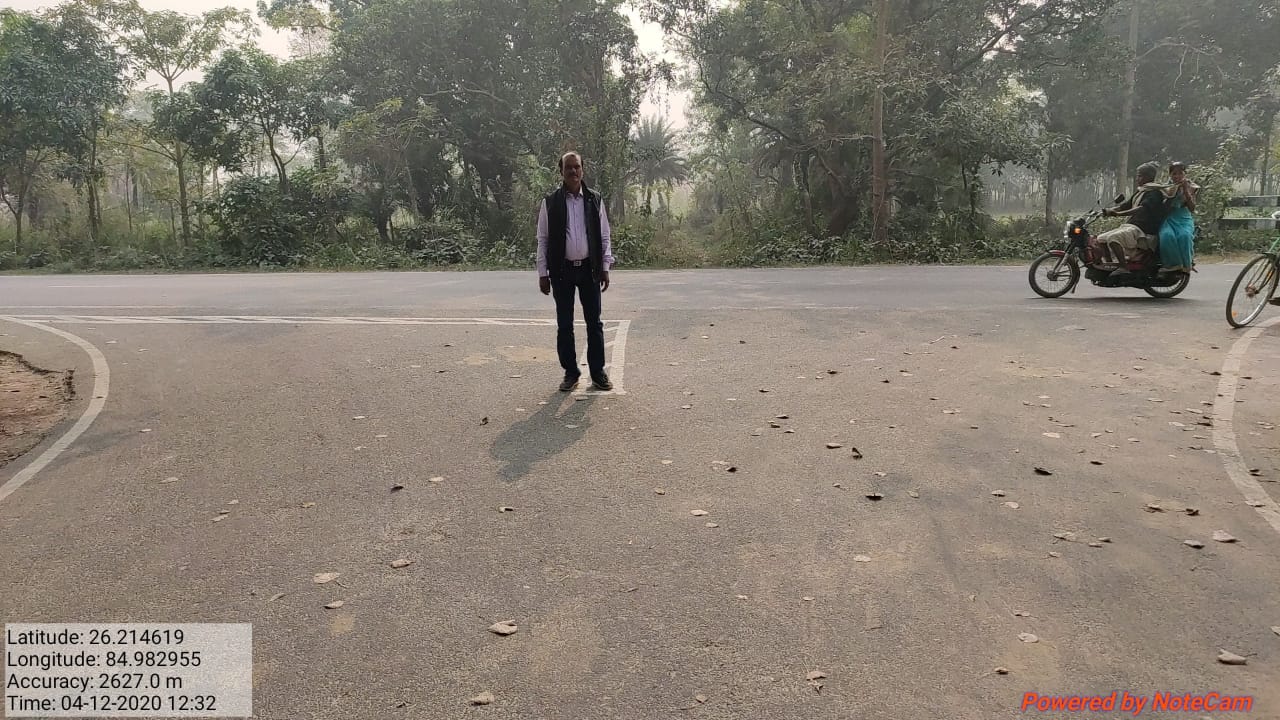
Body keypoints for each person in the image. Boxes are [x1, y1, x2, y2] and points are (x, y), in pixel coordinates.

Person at [537, 151, 615, 392]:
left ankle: (598, 372)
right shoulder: (550, 203)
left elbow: (604, 236)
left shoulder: (594, 200)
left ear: (583, 169)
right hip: (562, 271)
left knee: (594, 323)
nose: (573, 171)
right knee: (564, 324)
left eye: (577, 167)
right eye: (568, 167)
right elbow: (543, 239)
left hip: (590, 270)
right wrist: (542, 273)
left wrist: (605, 267)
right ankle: (571, 373)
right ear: (561, 171)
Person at [1098, 162, 1168, 272]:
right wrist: (1108, 211)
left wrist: (1117, 214)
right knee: (1101, 239)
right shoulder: (1142, 190)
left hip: (1143, 230)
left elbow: (1141, 208)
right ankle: (1110, 265)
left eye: (1139, 176)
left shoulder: (1155, 193)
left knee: (1113, 238)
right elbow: (1125, 205)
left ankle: (1123, 267)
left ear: (1148, 177)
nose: (1137, 179)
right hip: (1132, 227)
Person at [1156, 161, 1198, 273]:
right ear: (1170, 175)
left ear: (1185, 174)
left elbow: (1192, 208)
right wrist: (1171, 194)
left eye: (1180, 173)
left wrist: (1185, 191)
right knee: (1167, 236)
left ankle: (1187, 265)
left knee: (1185, 236)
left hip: (1183, 218)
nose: (1177, 176)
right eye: (1174, 174)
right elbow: (1163, 206)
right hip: (1168, 218)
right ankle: (1172, 265)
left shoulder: (1191, 187)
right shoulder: (1165, 188)